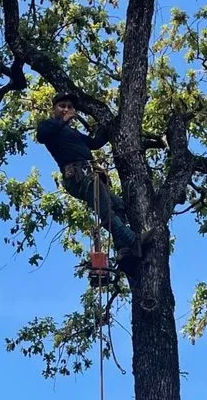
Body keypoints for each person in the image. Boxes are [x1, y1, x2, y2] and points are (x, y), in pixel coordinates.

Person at [36, 93, 142, 272]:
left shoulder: (73, 132)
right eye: (62, 106)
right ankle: (133, 240)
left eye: (69, 106)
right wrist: (64, 120)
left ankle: (123, 250)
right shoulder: (49, 126)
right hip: (76, 176)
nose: (66, 109)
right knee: (106, 209)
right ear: (54, 109)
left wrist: (109, 125)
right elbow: (42, 135)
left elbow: (94, 143)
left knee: (118, 205)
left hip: (89, 174)